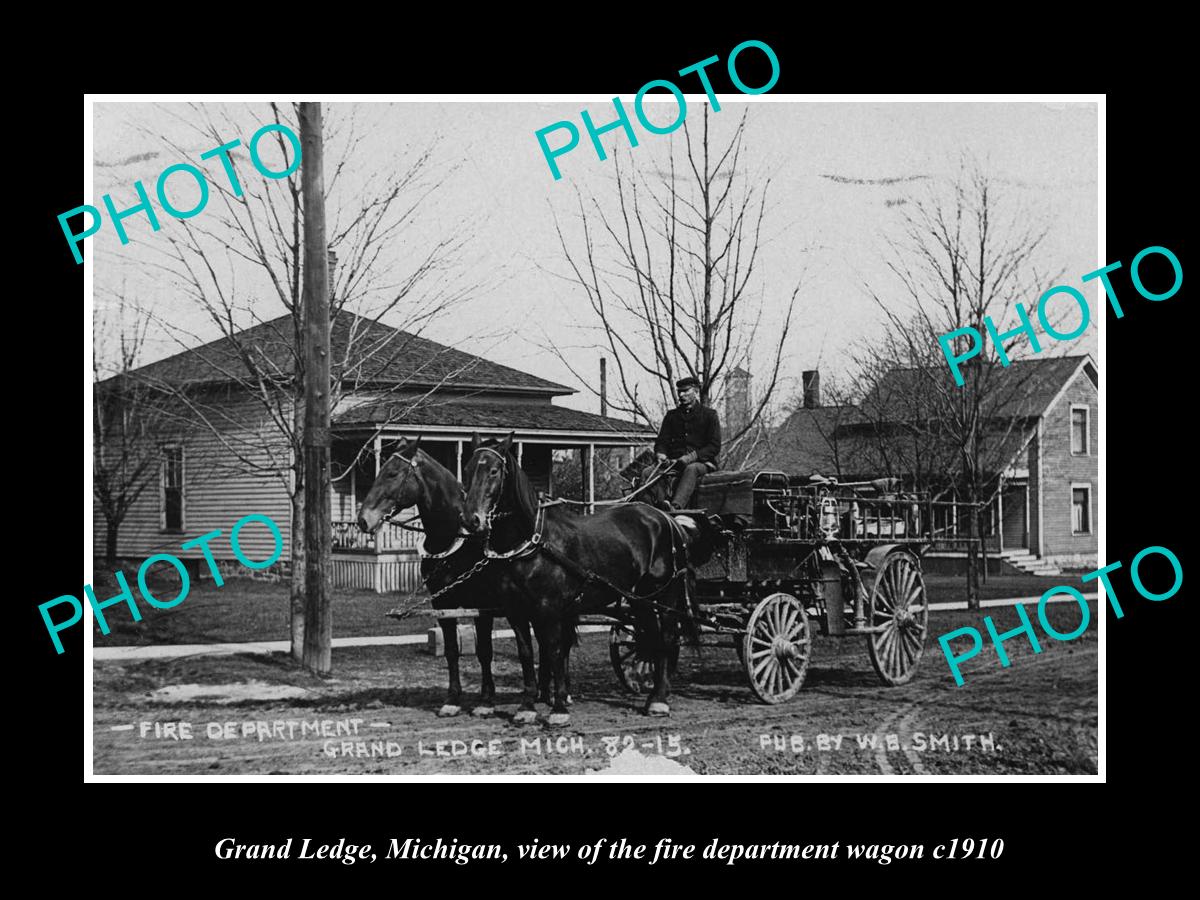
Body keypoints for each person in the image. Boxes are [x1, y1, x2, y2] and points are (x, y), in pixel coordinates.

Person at [654, 375, 721, 509]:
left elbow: (714, 446)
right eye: (679, 391)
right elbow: (662, 441)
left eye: (685, 391)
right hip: (673, 463)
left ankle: (676, 506)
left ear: (696, 392)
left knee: (691, 468)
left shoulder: (709, 415)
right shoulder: (671, 416)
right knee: (647, 472)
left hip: (701, 464)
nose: (681, 395)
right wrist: (661, 453)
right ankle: (658, 507)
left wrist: (691, 458)